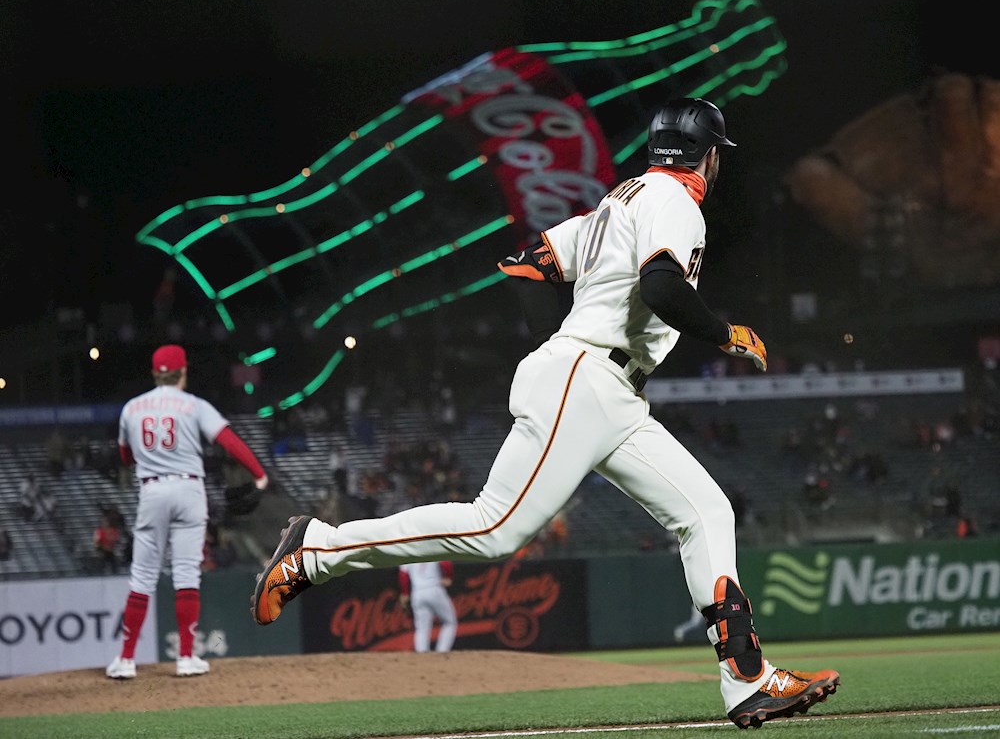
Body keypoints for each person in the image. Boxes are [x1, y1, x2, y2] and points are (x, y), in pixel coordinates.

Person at [250, 98, 840, 728]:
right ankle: (317, 549)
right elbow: (663, 287)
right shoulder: (674, 200)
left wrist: (555, 349)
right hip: (587, 378)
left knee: (705, 511)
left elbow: (527, 267)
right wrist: (723, 334)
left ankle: (747, 680)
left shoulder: (622, 199)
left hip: (606, 391)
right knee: (494, 528)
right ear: (709, 154)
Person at [106, 344, 270, 680]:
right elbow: (228, 440)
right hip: (188, 489)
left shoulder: (132, 408)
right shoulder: (194, 405)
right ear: (183, 371)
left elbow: (125, 457)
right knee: (185, 574)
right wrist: (259, 474)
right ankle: (185, 657)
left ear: (155, 373)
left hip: (152, 490)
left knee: (142, 577)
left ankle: (125, 660)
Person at [398, 561, 458, 653]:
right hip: (435, 588)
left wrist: (405, 593)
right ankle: (442, 651)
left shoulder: (408, 551)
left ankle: (422, 653)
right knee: (449, 622)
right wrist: (448, 577)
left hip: (417, 592)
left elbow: (403, 575)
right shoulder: (432, 547)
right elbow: (446, 562)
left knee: (421, 627)